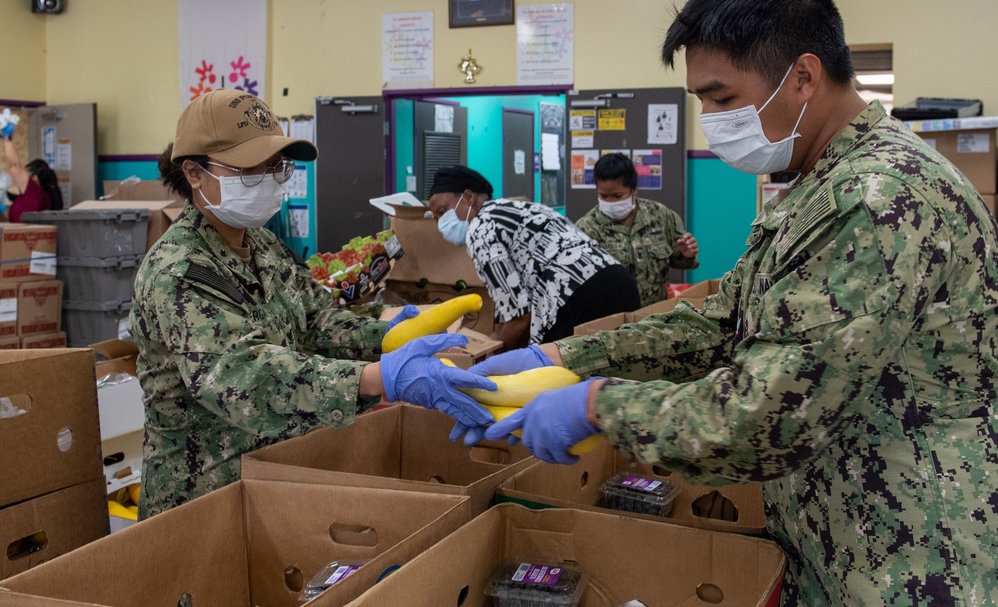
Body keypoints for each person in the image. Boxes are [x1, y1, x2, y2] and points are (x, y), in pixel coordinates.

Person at [466, 0, 998, 607]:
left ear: (803, 78)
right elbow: (721, 319)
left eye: (721, 98)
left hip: (915, 592)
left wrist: (599, 406)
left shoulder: (876, 199)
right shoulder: (820, 188)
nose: (713, 123)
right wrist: (564, 359)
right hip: (845, 560)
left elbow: (768, 414)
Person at [129, 90, 496, 519]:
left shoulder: (263, 245)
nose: (269, 179)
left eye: (276, 166)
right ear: (194, 172)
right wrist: (376, 377)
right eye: (251, 169)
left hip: (272, 476)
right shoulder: (179, 270)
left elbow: (314, 320)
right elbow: (241, 376)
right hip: (200, 496)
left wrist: (390, 336)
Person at [426, 165, 640, 354]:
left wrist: (488, 360)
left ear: (469, 197)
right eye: (437, 218)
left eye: (444, 212)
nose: (442, 223)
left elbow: (519, 317)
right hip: (619, 282)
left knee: (563, 379)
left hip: (576, 297)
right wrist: (495, 337)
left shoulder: (480, 229)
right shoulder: (517, 208)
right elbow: (508, 307)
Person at [576, 152, 698, 306]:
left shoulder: (660, 216)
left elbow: (680, 263)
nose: (610, 202)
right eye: (603, 196)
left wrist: (685, 255)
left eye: (617, 195)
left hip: (653, 316)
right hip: (610, 320)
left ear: (634, 190)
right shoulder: (586, 228)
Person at [1, 133, 63, 222]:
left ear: (35, 178)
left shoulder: (34, 192)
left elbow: (14, 165)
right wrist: (3, 207)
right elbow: (17, 217)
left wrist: (7, 138)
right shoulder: (34, 197)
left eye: (25, 173)